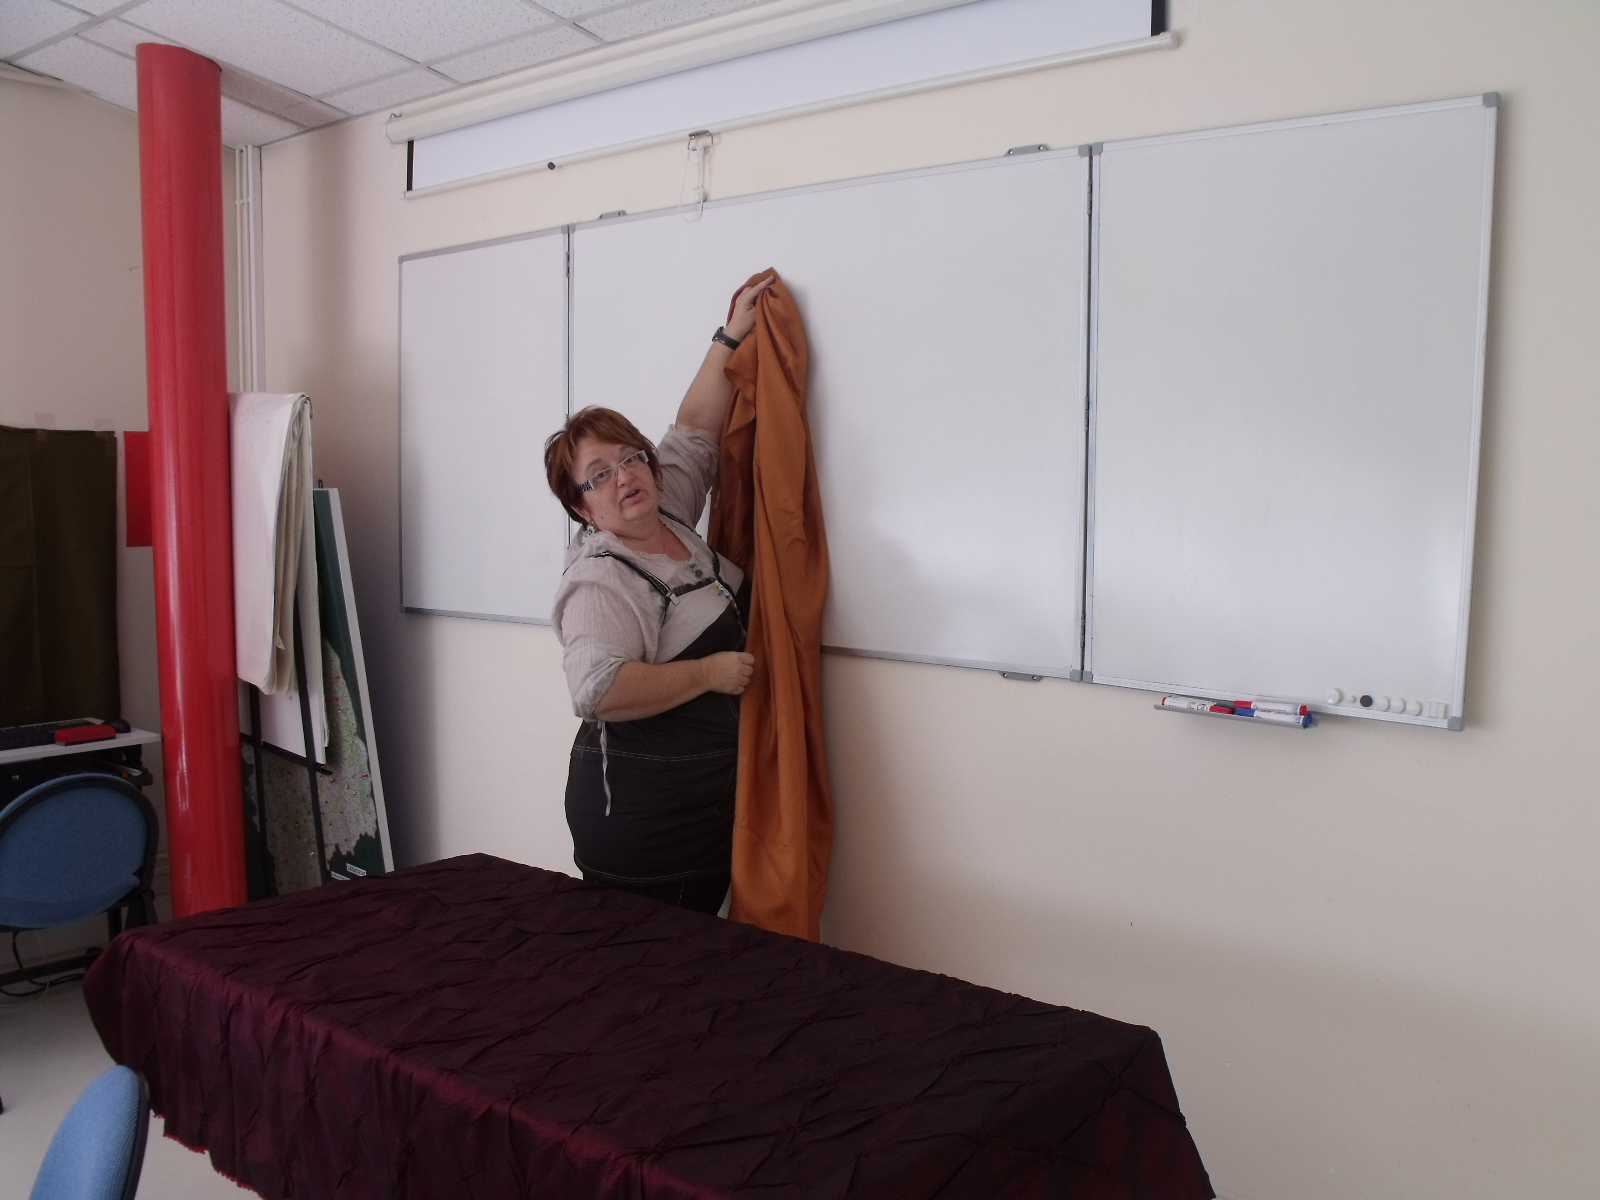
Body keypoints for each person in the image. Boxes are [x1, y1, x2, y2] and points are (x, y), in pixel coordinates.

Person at [543, 274, 774, 913]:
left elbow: (695, 426)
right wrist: (707, 673)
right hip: (642, 821)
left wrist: (732, 334)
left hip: (703, 801)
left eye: (630, 457)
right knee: (650, 962)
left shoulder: (665, 508)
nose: (624, 478)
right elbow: (596, 690)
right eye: (599, 476)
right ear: (581, 508)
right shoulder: (600, 578)